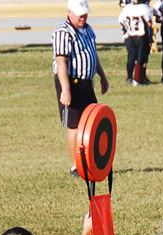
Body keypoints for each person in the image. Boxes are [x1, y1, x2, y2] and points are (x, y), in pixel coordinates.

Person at [54, 0, 110, 172]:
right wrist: (66, 89)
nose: (83, 17)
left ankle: (90, 161)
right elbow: (61, 62)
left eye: (85, 14)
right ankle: (75, 166)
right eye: (80, 14)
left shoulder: (87, 29)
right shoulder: (63, 32)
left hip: (86, 82)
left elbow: (92, 53)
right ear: (70, 12)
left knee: (91, 122)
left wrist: (102, 75)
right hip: (71, 81)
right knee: (75, 124)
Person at [119, 0, 156, 83]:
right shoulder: (144, 8)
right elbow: (149, 24)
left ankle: (131, 78)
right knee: (141, 57)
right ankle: (138, 78)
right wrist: (150, 37)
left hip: (130, 35)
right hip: (141, 35)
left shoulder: (127, 9)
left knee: (132, 56)